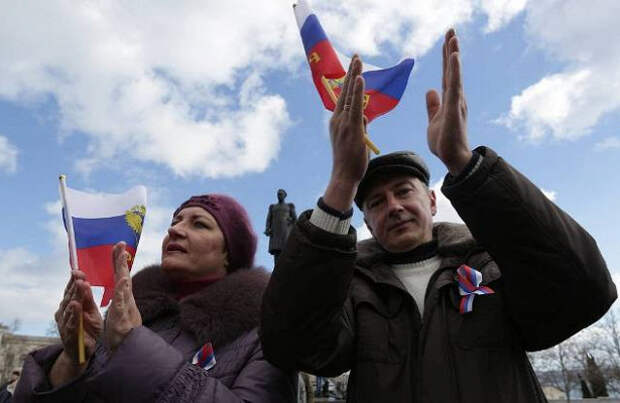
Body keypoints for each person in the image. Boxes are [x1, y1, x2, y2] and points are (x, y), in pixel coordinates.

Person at [260, 29, 617, 403]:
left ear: (432, 201)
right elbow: (291, 346)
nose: (394, 206)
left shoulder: (490, 263)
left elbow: (585, 292)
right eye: (377, 202)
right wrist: (342, 182)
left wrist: (463, 161)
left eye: (403, 192)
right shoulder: (350, 286)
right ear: (366, 223)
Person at [15, 194, 297, 402]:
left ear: (229, 252)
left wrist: (134, 344)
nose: (175, 229)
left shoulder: (266, 333)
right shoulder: (126, 319)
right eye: (175, 221)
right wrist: (73, 360)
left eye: (199, 224)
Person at [265, 189, 297, 264]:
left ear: (284, 196)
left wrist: (290, 220)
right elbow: (269, 219)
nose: (279, 196)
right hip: (275, 232)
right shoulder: (273, 207)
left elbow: (295, 218)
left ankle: (285, 267)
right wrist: (267, 228)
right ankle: (277, 267)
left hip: (285, 231)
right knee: (277, 251)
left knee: (286, 249)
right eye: (278, 194)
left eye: (281, 194)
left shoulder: (289, 206)